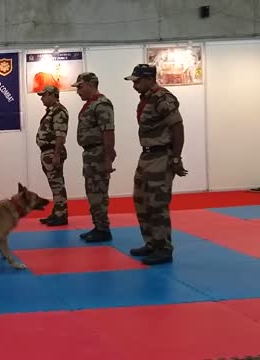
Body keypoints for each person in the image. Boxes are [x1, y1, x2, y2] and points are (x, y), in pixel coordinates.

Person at [125, 64, 188, 265]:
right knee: (141, 200)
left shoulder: (163, 98)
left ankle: (163, 248)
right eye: (133, 81)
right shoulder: (146, 98)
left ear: (149, 79)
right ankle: (151, 242)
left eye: (137, 80)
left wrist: (176, 158)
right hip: (147, 156)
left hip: (161, 156)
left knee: (157, 203)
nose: (134, 84)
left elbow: (177, 127)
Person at [71, 72, 116, 242]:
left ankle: (103, 229)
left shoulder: (101, 104)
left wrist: (107, 158)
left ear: (91, 84)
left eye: (81, 87)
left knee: (98, 192)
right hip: (91, 153)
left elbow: (108, 131)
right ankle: (98, 226)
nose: (78, 91)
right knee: (92, 192)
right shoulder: (91, 104)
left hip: (98, 153)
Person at [35, 85, 69, 226]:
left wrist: (56, 155)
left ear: (52, 95)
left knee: (57, 184)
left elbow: (61, 135)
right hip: (47, 152)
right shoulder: (52, 111)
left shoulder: (59, 111)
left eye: (44, 95)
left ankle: (61, 215)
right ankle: (57, 213)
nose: (42, 98)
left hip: (53, 151)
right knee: (54, 184)